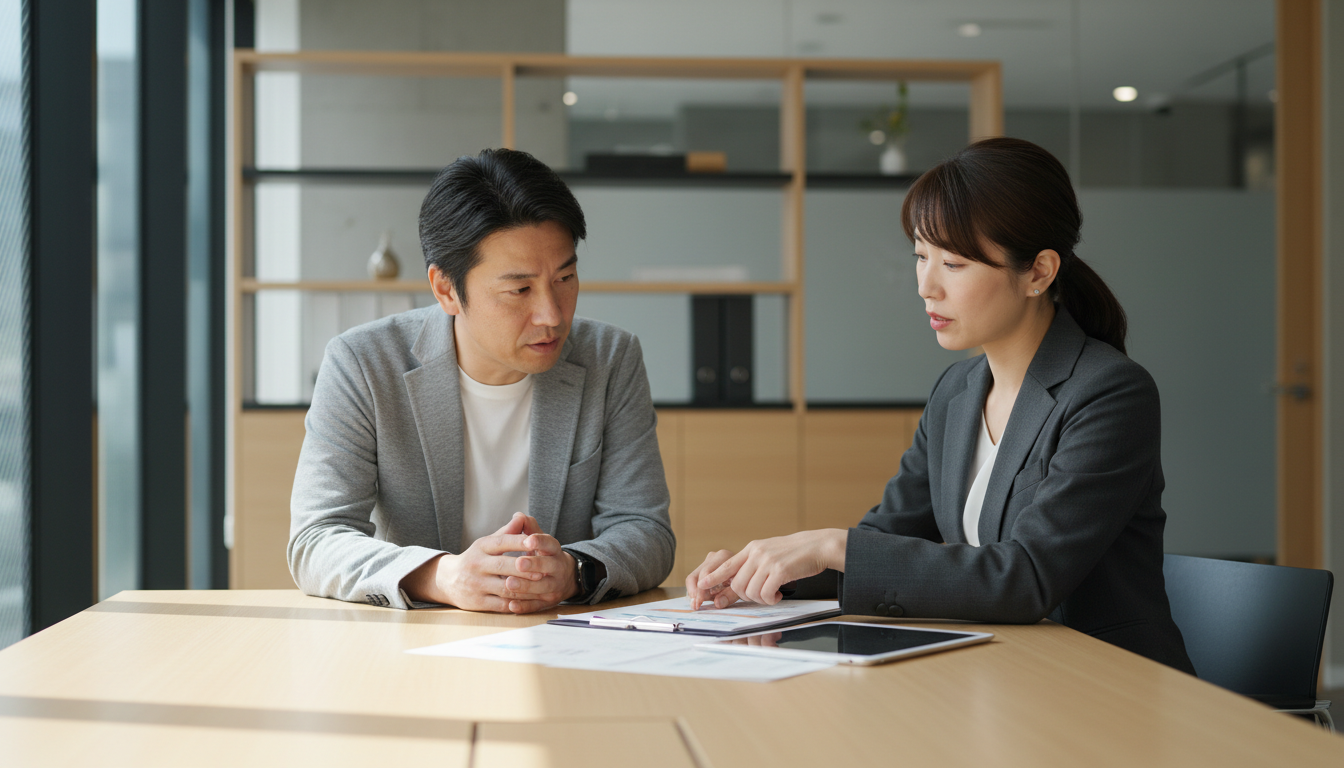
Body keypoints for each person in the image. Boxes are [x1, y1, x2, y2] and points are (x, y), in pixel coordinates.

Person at [686, 137, 1195, 673]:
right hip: (1003, 675)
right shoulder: (957, 391)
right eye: (921, 257)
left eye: (953, 264)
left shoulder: (1108, 393)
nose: (927, 286)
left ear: (1039, 272)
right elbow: (890, 543)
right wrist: (765, 571)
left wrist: (835, 545)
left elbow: (1025, 578)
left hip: (1106, 683)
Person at [289, 148, 675, 613]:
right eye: (520, 290)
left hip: (559, 635)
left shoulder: (610, 359)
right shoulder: (363, 364)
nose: (552, 314)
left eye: (566, 276)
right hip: (416, 641)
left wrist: (574, 571)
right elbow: (316, 538)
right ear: (447, 289)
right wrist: (443, 576)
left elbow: (646, 529)